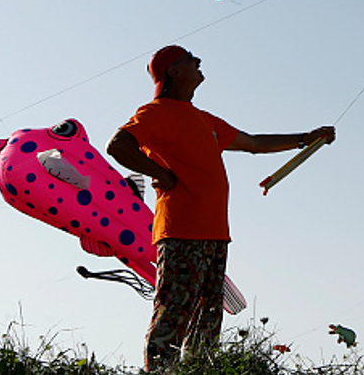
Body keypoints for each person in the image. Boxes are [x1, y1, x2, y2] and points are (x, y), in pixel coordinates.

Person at [107, 45, 336, 370]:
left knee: (207, 315)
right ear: (173, 70)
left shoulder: (205, 120)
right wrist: (161, 174)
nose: (198, 61)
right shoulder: (155, 112)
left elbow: (254, 143)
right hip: (180, 231)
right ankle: (160, 371)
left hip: (214, 233)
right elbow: (117, 145)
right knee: (174, 310)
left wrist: (306, 138)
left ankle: (197, 370)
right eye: (190, 58)